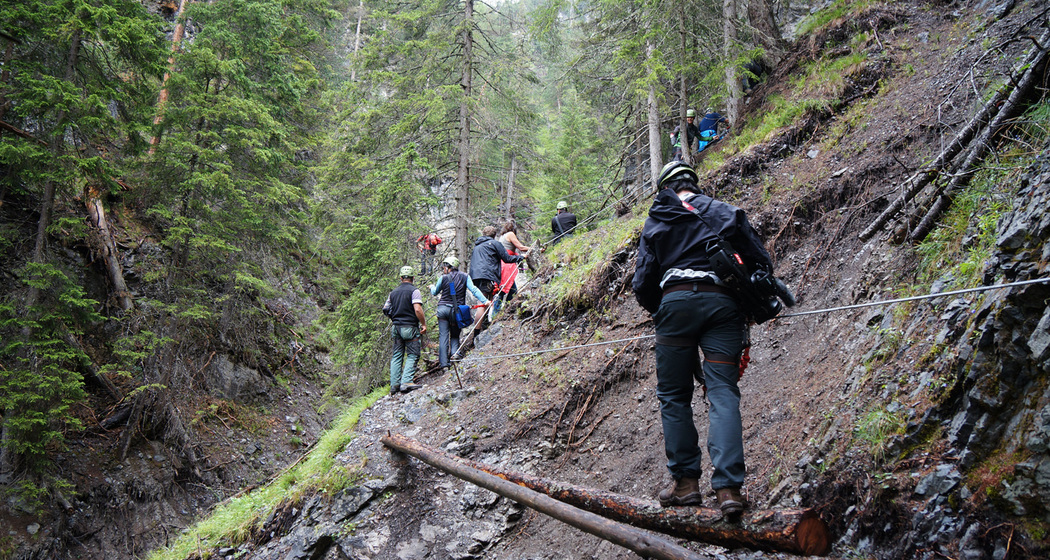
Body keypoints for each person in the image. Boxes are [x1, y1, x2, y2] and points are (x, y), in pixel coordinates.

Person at [632, 161, 773, 518]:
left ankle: (685, 485)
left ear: (664, 189)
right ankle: (728, 489)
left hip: (675, 306)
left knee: (674, 395)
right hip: (723, 306)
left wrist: (663, 309)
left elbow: (643, 283)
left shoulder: (656, 221)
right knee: (722, 391)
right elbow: (760, 262)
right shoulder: (725, 211)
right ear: (695, 185)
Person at [430, 256, 489, 369]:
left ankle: (444, 365)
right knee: (455, 335)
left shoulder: (443, 278)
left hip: (443, 310)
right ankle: (455, 357)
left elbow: (434, 292)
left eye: (444, 266)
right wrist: (485, 301)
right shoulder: (465, 276)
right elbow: (474, 290)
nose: (443, 268)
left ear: (448, 267)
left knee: (443, 336)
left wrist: (432, 287)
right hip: (456, 311)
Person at [382, 265, 427, 395]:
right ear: (413, 278)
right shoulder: (414, 291)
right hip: (410, 327)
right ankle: (406, 381)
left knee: (397, 355)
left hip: (396, 328)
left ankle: (394, 384)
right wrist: (423, 324)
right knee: (413, 354)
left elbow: (386, 309)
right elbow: (417, 309)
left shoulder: (393, 293)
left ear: (401, 278)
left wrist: (394, 318)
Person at [469, 226, 525, 318]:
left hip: (475, 276)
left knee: (487, 301)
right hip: (487, 275)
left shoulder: (477, 246)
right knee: (483, 303)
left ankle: (486, 322)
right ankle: (479, 327)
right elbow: (507, 258)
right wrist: (521, 257)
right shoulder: (494, 244)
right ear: (494, 235)